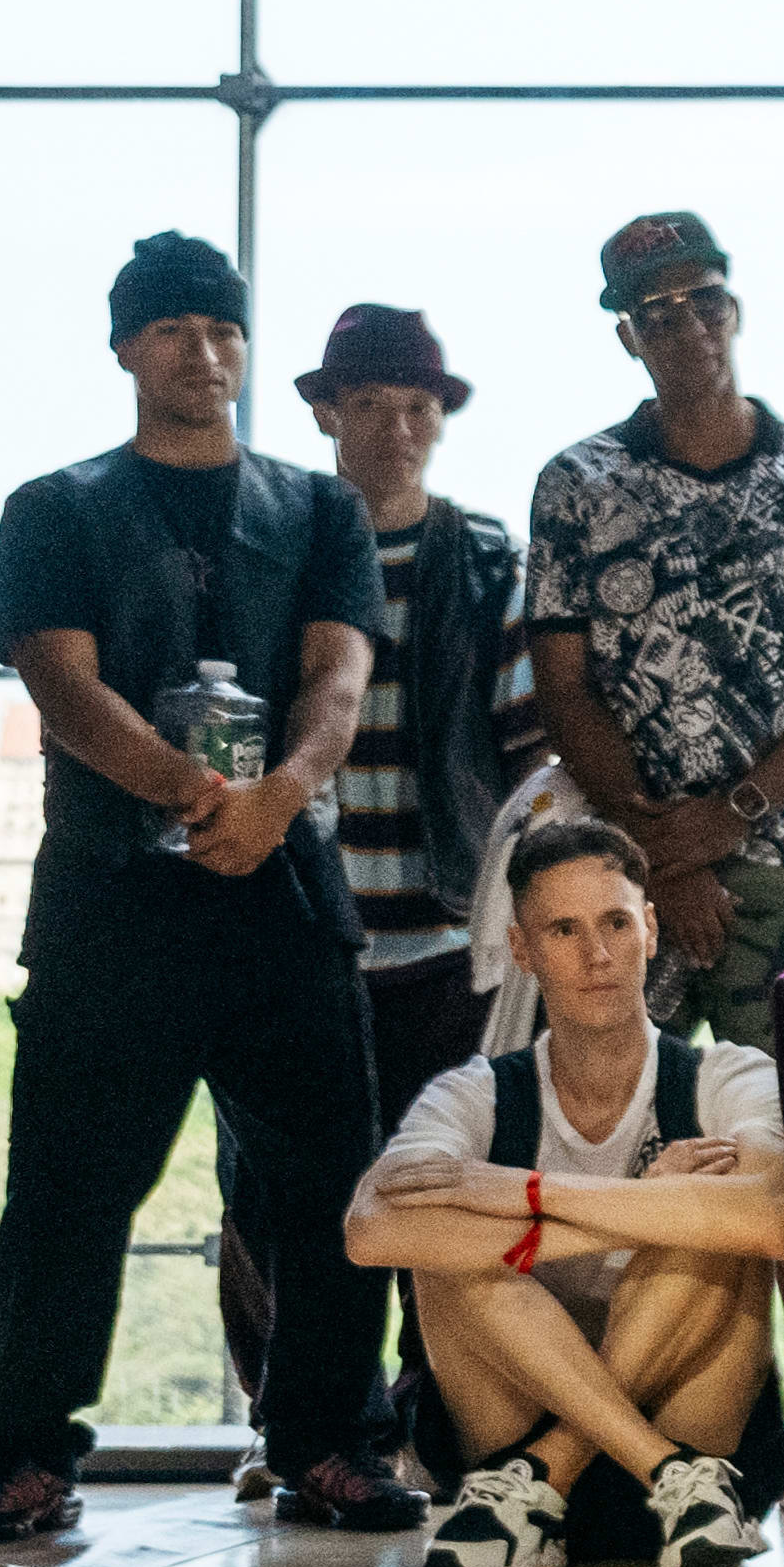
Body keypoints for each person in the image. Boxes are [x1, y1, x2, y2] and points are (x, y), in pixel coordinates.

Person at [0, 231, 400, 1555]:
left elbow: (338, 681)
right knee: (68, 1189)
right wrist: (198, 793)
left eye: (223, 329)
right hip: (112, 895)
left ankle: (327, 1439)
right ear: (124, 347)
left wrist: (279, 797)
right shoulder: (57, 507)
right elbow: (63, 685)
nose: (203, 353)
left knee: (329, 1180)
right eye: (172, 330)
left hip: (282, 887)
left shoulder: (317, 511)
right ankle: (29, 1453)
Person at [524, 206, 784, 1512]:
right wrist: (659, 858)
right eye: (657, 312)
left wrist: (729, 815)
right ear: (626, 337)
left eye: (706, 301)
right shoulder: (577, 484)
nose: (687, 326)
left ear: (735, 309)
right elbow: (564, 684)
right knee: (623, 1150)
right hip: (619, 875)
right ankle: (638, 1440)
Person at [341, 817, 784, 1567]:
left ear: (650, 929)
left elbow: (771, 1220)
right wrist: (640, 1204)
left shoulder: (726, 1076)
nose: (598, 954)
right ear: (522, 949)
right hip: (514, 1461)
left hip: (695, 1466)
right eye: (564, 929)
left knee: (715, 1225)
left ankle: (556, 1471)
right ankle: (638, 1469)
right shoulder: (476, 1093)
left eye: (616, 922)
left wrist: (522, 1197)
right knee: (446, 1248)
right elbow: (369, 1229)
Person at [290, 301, 528, 1284]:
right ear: (327, 413)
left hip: (448, 942)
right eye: (370, 404)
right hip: (308, 932)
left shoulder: (484, 559)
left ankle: (438, 1383)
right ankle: (296, 1387)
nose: (398, 428)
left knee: (452, 1197)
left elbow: (528, 749)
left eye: (418, 407)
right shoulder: (283, 550)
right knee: (292, 1200)